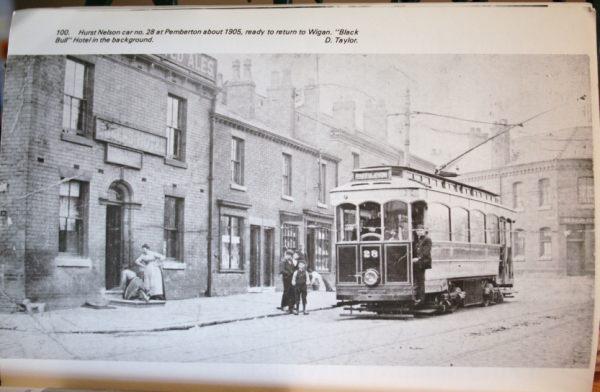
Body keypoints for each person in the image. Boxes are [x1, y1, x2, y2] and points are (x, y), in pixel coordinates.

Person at [412, 224, 432, 305]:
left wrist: (418, 258)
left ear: (424, 231)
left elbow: (426, 252)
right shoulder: (419, 240)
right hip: (418, 263)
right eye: (417, 231)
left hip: (423, 262)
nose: (419, 232)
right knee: (417, 280)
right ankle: (416, 297)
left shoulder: (427, 239)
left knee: (420, 280)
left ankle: (421, 299)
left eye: (420, 230)